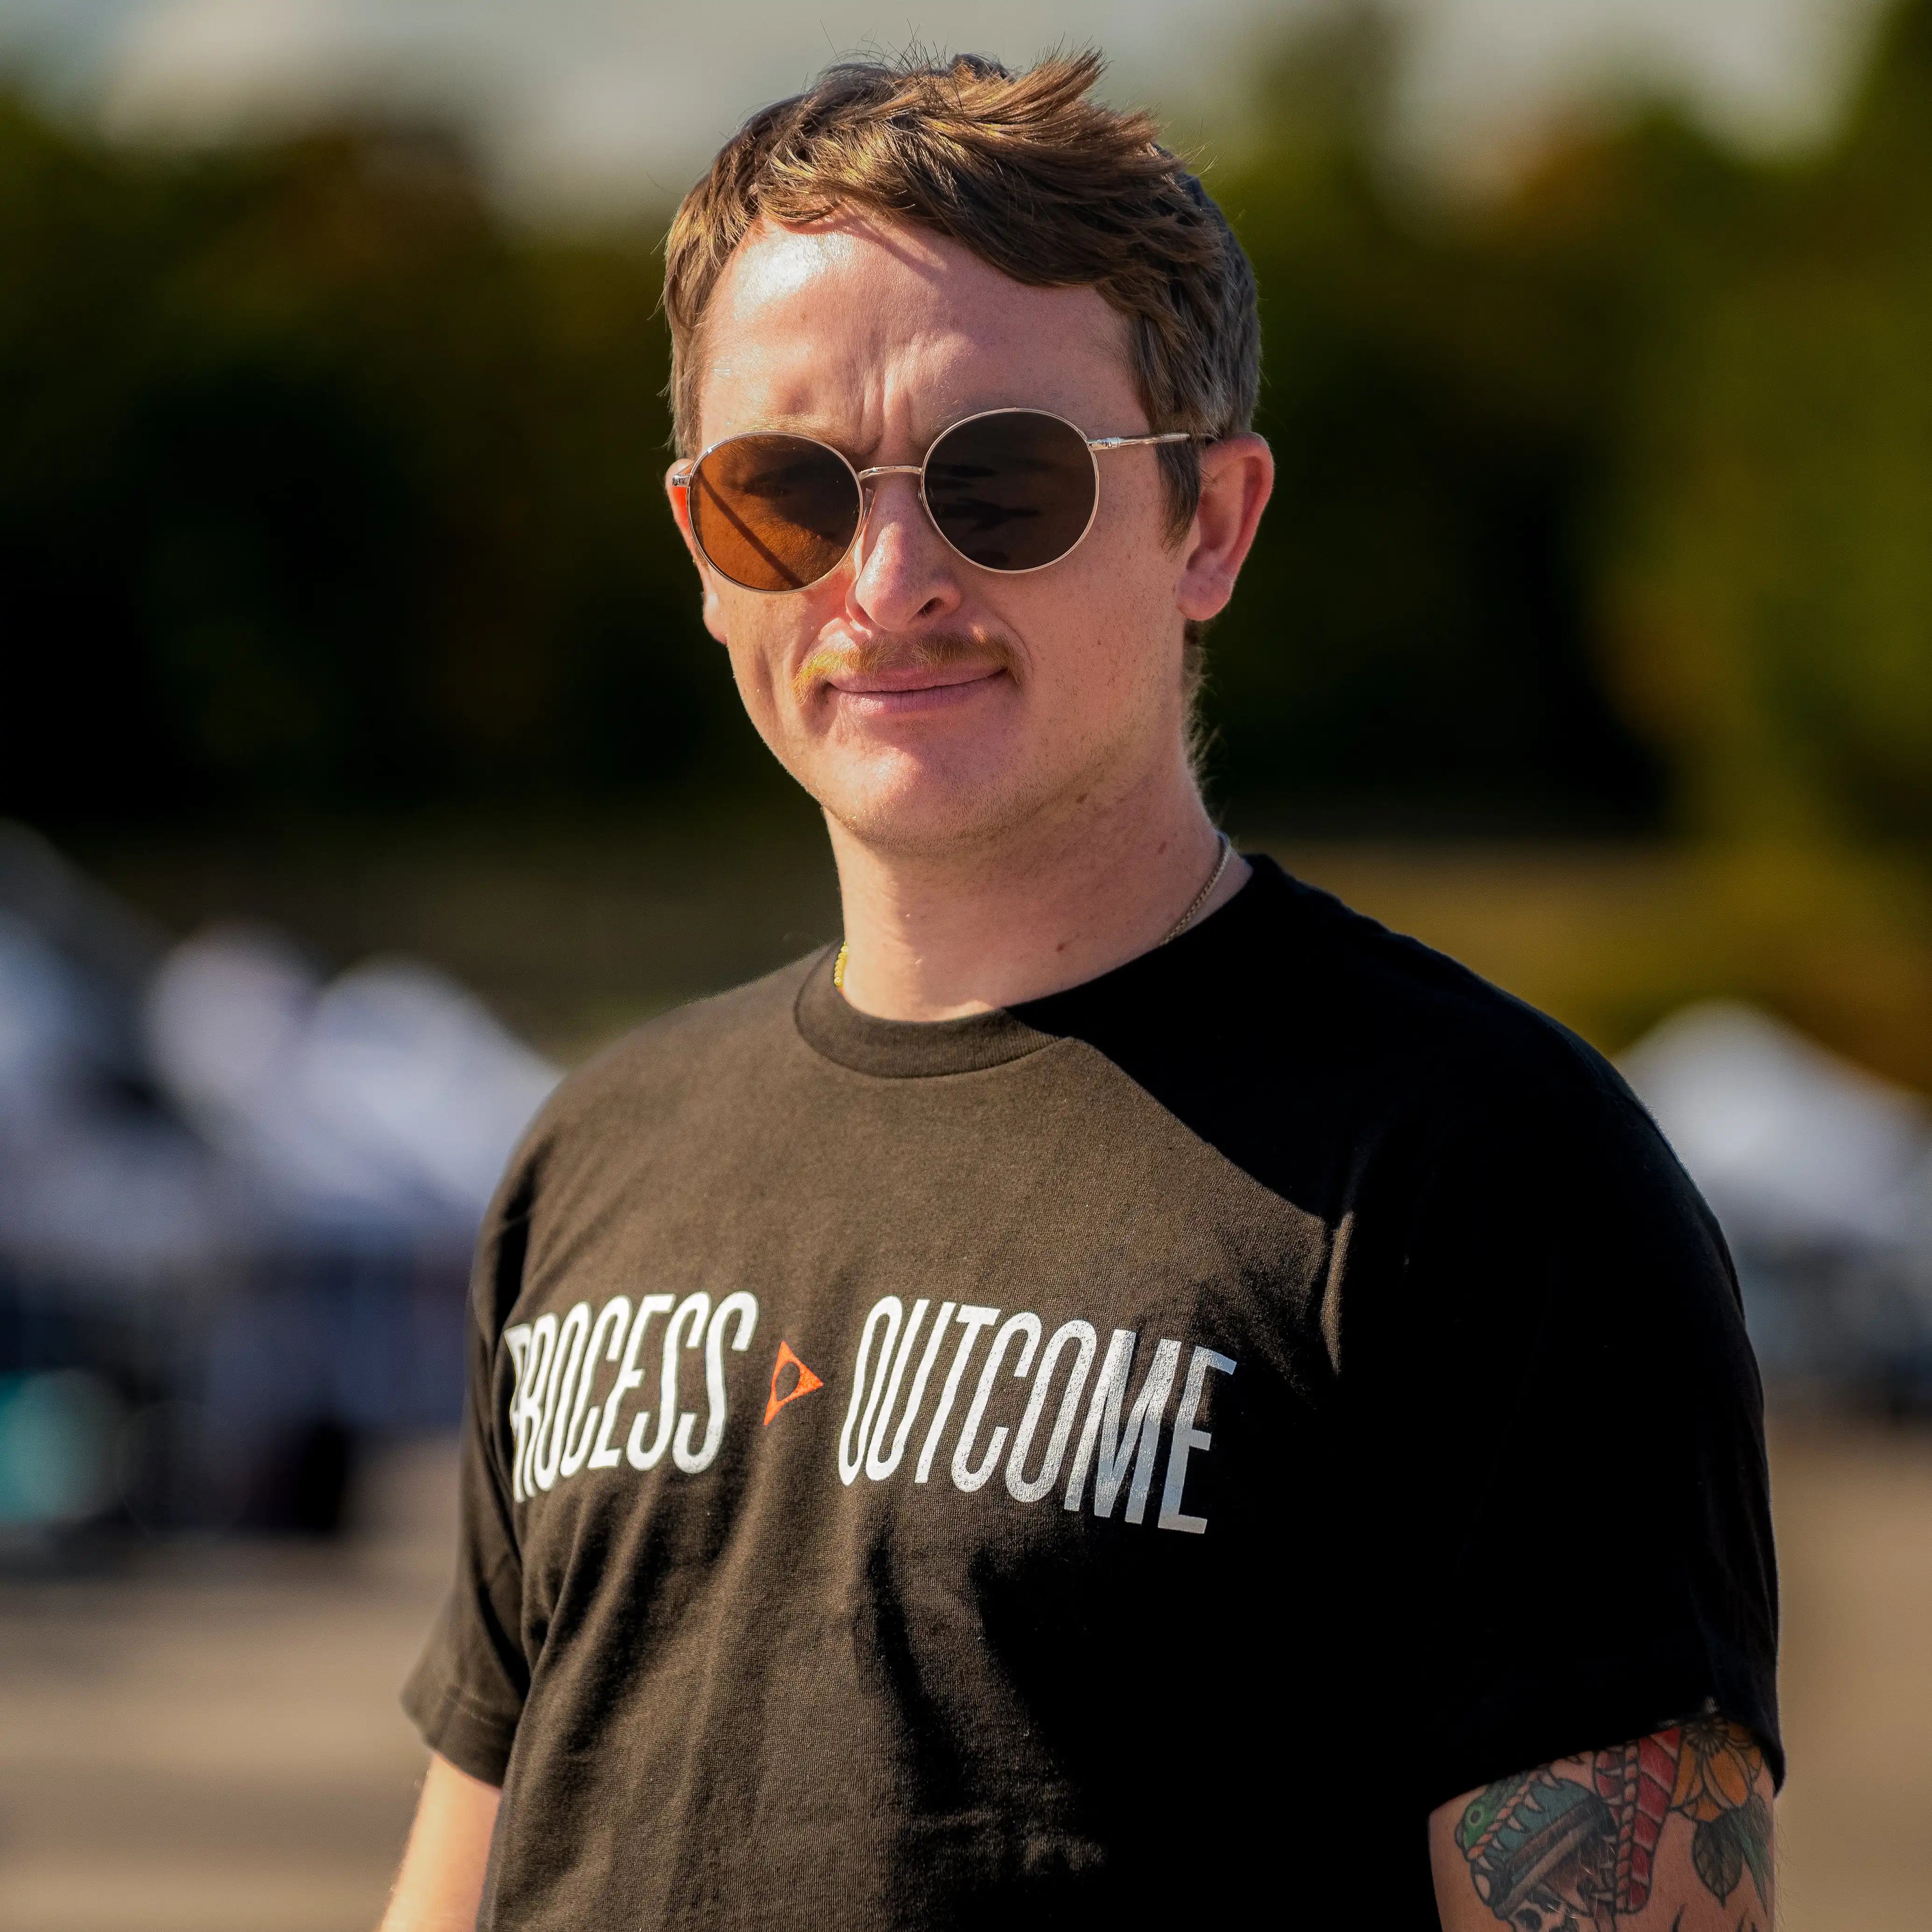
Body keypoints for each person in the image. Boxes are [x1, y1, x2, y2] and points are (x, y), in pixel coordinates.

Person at [381, 50, 1779, 1932]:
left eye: (1003, 481)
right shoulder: (593, 1160)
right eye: (784, 494)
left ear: (1212, 524)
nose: (887, 582)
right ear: (703, 550)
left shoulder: (1483, 1176)